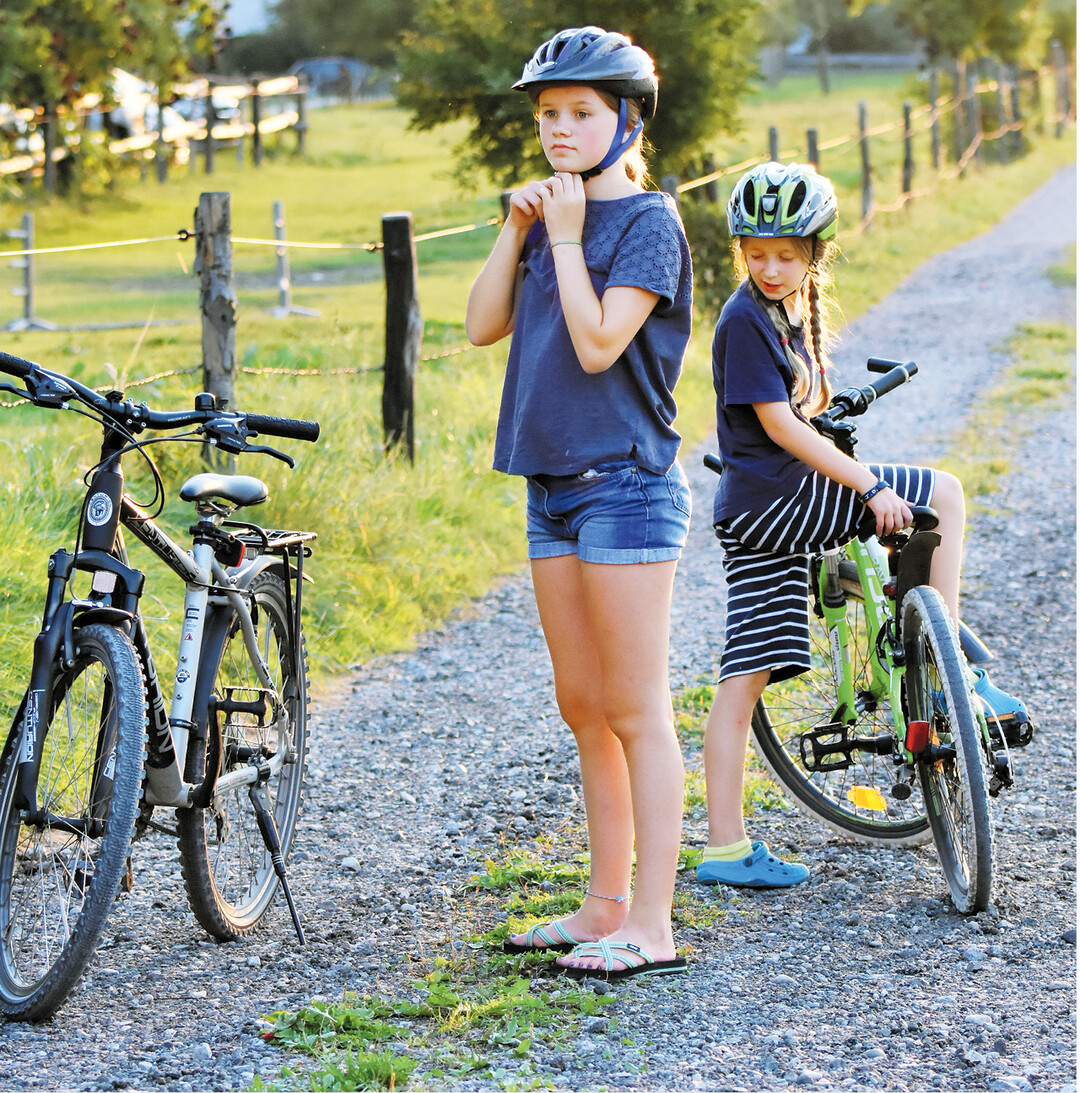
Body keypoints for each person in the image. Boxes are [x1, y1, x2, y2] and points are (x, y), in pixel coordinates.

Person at [697, 161, 1030, 889]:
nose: (771, 266)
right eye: (756, 253)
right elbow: (784, 429)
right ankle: (955, 678)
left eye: (787, 254)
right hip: (780, 500)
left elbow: (804, 399)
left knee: (742, 677)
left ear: (816, 253)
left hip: (755, 514)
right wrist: (870, 481)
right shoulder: (744, 318)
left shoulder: (782, 310)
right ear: (742, 252)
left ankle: (724, 846)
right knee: (938, 491)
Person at [465, 26, 693, 980]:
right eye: (549, 114)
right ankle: (602, 905)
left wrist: (563, 237)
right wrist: (518, 229)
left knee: (636, 707)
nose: (559, 130)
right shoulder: (543, 218)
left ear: (625, 119)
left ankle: (653, 921)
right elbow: (481, 326)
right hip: (552, 487)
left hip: (627, 487)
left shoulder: (650, 222)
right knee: (582, 704)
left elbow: (600, 344)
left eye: (581, 114)